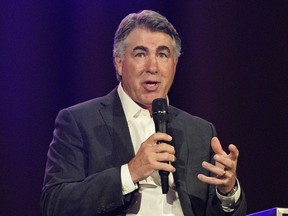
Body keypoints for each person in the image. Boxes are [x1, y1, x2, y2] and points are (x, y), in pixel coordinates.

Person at [41, 10, 247, 216]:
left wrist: (227, 191)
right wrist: (129, 173)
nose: (153, 67)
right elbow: (55, 204)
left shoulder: (200, 131)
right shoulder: (79, 121)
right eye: (140, 54)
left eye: (162, 55)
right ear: (119, 62)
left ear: (174, 64)